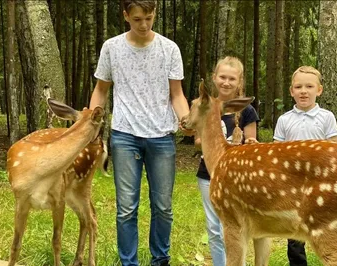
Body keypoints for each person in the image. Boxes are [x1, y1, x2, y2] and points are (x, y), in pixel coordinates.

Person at [89, 1, 190, 265]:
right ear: (125, 16)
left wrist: (186, 119)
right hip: (124, 135)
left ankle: (160, 260)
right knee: (126, 209)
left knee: (163, 208)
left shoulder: (169, 49)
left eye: (148, 18)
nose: (143, 25)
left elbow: (176, 94)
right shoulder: (112, 47)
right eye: (136, 20)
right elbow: (101, 89)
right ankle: (128, 262)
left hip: (161, 136)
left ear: (154, 13)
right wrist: (91, 124)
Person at [195, 56, 260, 265]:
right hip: (209, 174)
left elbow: (252, 143)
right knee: (215, 227)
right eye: (222, 77)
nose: (226, 82)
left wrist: (245, 143)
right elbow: (197, 141)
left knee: (237, 226)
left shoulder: (247, 111)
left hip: (240, 179)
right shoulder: (205, 107)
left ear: (239, 82)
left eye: (232, 79)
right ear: (214, 78)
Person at [273, 66, 337, 266]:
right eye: (298, 87)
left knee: (326, 227)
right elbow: (277, 153)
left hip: (321, 182)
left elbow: (334, 150)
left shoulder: (327, 117)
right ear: (291, 91)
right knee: (294, 229)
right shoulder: (284, 120)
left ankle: (333, 260)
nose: (304, 91)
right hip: (293, 184)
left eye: (309, 86)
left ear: (319, 90)